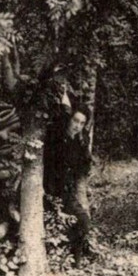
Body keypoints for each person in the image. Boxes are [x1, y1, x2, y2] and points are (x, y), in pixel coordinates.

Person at [44, 93, 93, 264]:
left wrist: (82, 145)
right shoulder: (55, 136)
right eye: (75, 121)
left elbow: (83, 168)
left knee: (84, 222)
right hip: (47, 188)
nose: (77, 126)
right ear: (69, 119)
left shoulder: (79, 141)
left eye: (82, 123)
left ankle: (75, 262)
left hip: (66, 191)